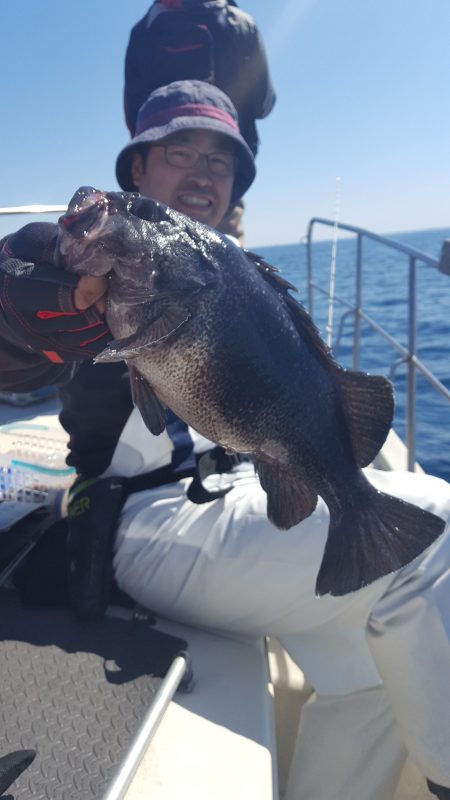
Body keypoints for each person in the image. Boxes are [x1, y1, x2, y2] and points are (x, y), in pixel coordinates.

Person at [1, 80, 450, 800]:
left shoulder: (228, 270)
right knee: (439, 534)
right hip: (138, 521)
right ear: (137, 172)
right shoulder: (89, 265)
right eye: (179, 152)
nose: (204, 173)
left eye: (222, 162)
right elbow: (14, 333)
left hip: (234, 490)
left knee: (366, 672)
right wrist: (21, 307)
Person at [123, 0, 276, 244]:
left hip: (156, 171)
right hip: (222, 177)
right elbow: (264, 104)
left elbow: (132, 109)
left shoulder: (145, 28)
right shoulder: (241, 22)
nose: (199, 177)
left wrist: (165, 154)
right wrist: (221, 156)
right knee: (229, 255)